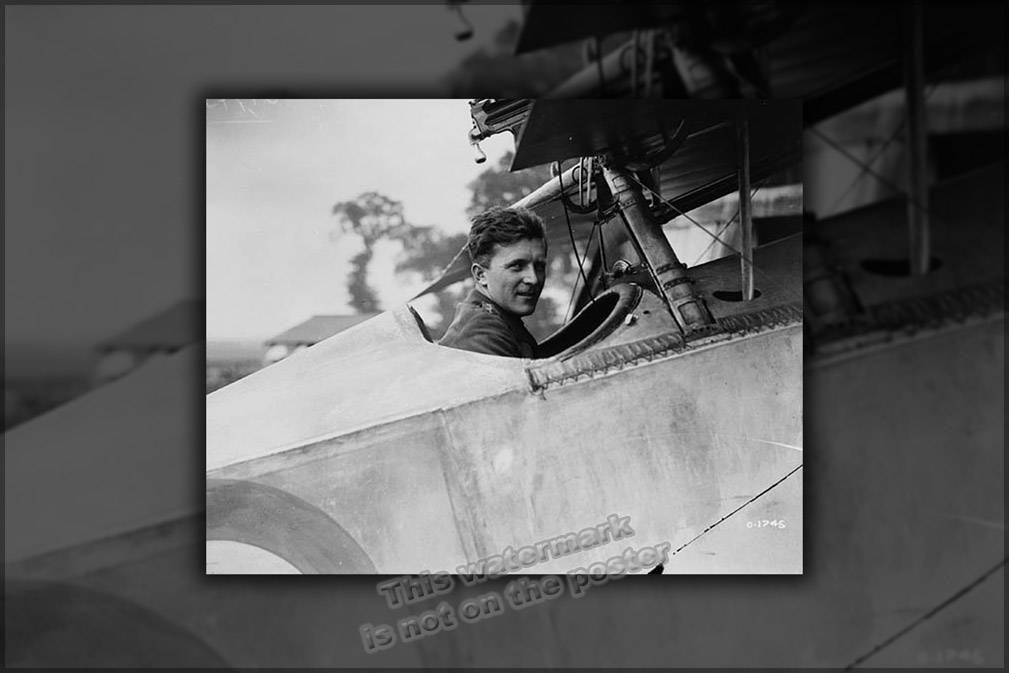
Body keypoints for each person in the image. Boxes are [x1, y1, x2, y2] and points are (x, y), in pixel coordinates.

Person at [439, 206, 548, 358]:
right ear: (480, 275)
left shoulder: (500, 322)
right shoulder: (481, 333)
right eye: (517, 266)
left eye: (539, 266)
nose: (533, 279)